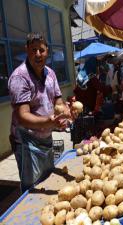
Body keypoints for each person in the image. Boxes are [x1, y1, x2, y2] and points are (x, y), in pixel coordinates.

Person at [8, 32, 74, 193]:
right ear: (27, 50)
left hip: (45, 138)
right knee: (34, 190)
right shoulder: (20, 78)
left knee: (48, 180)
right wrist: (50, 121)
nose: (38, 54)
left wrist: (67, 111)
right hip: (26, 142)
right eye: (33, 50)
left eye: (41, 50)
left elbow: (57, 101)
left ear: (47, 51)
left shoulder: (50, 74)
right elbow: (23, 116)